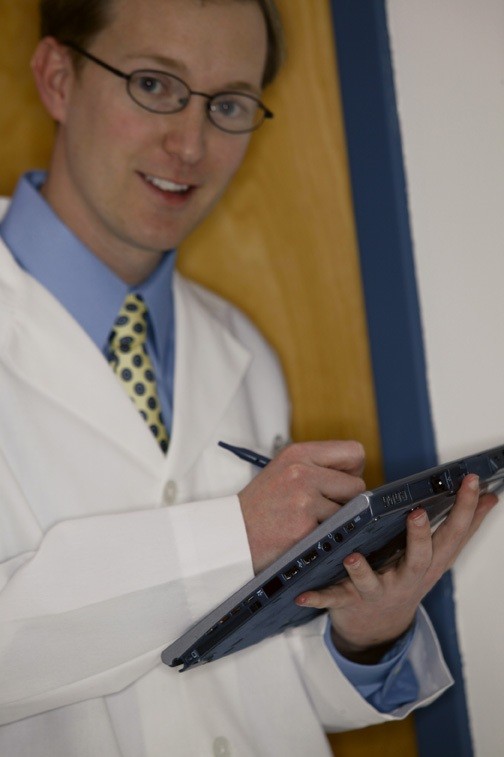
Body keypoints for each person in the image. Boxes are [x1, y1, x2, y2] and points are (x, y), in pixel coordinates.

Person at [0, 1, 498, 755]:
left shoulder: (242, 349)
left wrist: (361, 631)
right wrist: (229, 535)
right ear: (58, 78)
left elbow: (236, 671)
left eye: (227, 104)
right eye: (154, 84)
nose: (189, 143)